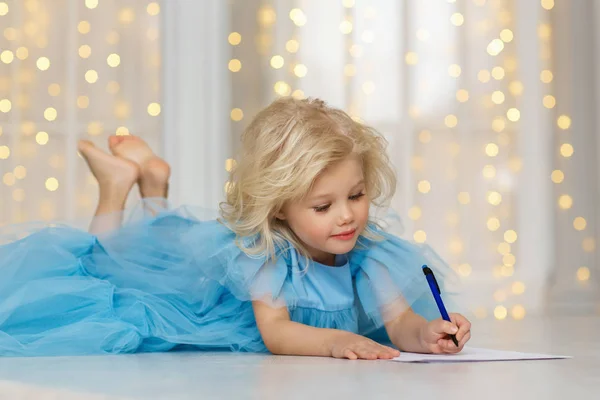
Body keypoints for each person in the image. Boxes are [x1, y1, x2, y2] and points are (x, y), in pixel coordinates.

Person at [0, 97, 471, 358]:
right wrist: (336, 341)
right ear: (280, 207)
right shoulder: (268, 254)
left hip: (211, 278)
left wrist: (428, 333)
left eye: (356, 195)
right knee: (109, 272)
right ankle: (116, 184)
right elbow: (278, 333)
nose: (346, 215)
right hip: (195, 299)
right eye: (323, 206)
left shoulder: (371, 252)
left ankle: (153, 184)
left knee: (158, 239)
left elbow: (399, 322)